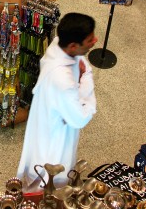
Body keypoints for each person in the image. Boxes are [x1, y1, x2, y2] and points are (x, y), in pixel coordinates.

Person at [17, 13, 98, 192]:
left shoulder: (56, 45)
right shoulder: (63, 81)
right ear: (73, 45)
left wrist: (81, 70)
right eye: (90, 40)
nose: (95, 40)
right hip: (56, 130)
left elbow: (80, 59)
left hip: (45, 115)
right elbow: (79, 118)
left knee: (39, 154)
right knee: (51, 168)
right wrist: (85, 79)